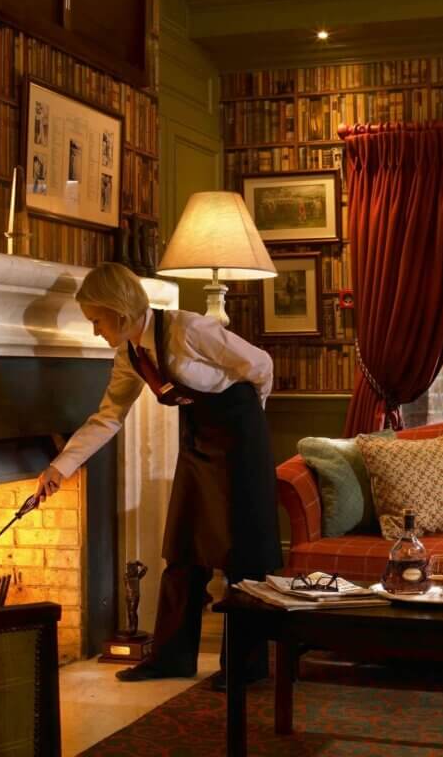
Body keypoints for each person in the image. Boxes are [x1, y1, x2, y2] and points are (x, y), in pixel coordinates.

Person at [35, 263, 279, 687]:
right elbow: (109, 417)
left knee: (243, 553)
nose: (95, 330)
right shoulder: (130, 355)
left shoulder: (189, 329)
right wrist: (61, 467)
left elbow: (259, 364)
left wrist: (248, 420)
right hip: (198, 438)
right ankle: (171, 658)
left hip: (240, 436)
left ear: (119, 313)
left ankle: (246, 666)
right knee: (182, 547)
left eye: (97, 320)